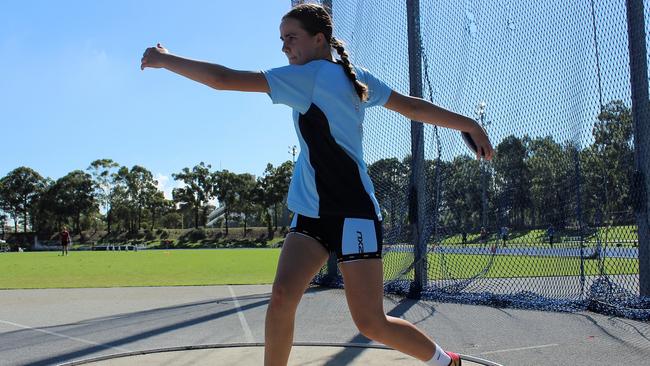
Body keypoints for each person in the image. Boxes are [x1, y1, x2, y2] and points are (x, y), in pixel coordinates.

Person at [141, 4, 493, 366]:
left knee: (370, 322)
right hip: (311, 212)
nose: (284, 48)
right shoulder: (342, 75)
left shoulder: (316, 77)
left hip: (354, 214)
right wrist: (469, 124)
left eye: (291, 38)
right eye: (281, 40)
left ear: (319, 39)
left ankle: (444, 361)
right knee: (281, 296)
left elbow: (222, 79)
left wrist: (165, 59)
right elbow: (414, 108)